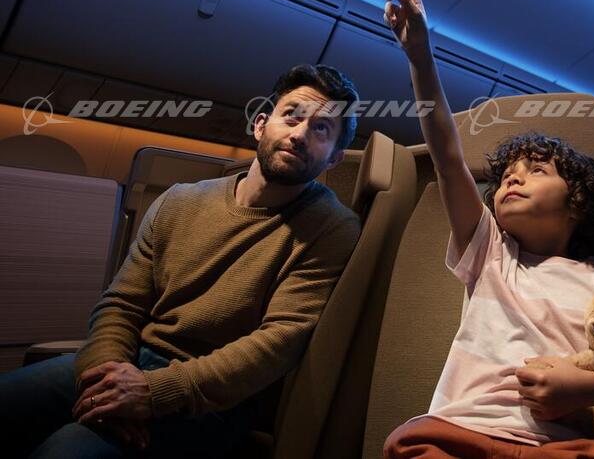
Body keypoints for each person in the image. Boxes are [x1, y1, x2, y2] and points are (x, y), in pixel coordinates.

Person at [381, 0, 594, 458]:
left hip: (567, 445)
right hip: (465, 435)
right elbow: (447, 157)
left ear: (577, 202)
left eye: (536, 170)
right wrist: (420, 57)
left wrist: (581, 387)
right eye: (507, 174)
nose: (513, 178)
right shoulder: (491, 252)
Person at [0, 64, 362, 458]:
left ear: (334, 158)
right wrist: (105, 375)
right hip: (128, 362)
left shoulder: (331, 227)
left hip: (214, 399)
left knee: (64, 451)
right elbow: (122, 303)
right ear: (260, 125)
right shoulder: (181, 200)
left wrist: (153, 393)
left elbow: (278, 342)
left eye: (321, 129)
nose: (300, 134)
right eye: (291, 115)